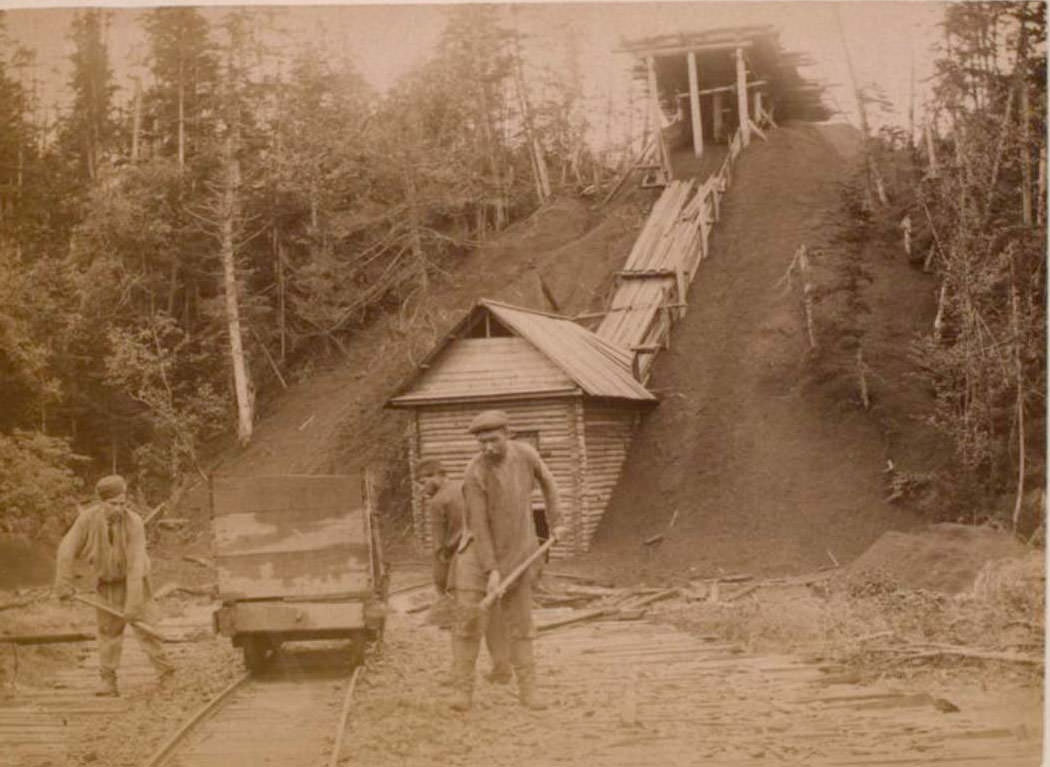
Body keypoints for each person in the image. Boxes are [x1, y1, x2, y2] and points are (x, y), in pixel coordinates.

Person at [451, 410, 568, 712]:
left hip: (519, 551)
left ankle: (529, 691)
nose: (487, 447)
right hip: (477, 558)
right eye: (481, 442)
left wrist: (557, 520)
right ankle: (462, 691)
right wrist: (491, 571)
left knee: (521, 624)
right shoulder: (474, 472)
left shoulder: (526, 454)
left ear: (508, 433)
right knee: (468, 622)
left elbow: (549, 483)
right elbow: (478, 524)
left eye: (493, 440)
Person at [53, 475, 174, 697]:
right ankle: (108, 682)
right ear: (101, 502)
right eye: (113, 504)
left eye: (122, 503)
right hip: (106, 585)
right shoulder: (87, 520)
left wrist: (133, 604)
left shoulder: (134, 522)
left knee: (147, 630)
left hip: (136, 583)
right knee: (108, 633)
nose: (118, 508)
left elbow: (136, 565)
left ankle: (166, 675)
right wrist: (63, 583)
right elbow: (66, 550)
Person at [418, 457, 511, 685]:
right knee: (495, 616)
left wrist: (439, 580)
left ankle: (458, 674)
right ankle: (502, 668)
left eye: (423, 481)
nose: (422, 488)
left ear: (437, 475)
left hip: (459, 565)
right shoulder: (469, 488)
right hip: (491, 562)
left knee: (461, 621)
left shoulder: (438, 501)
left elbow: (439, 547)